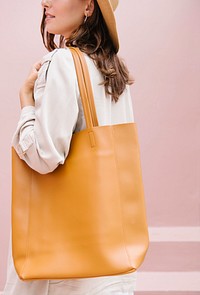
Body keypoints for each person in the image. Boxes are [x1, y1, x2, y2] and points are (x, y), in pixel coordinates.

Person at [3, 0, 138, 294]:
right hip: (109, 264)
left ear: (89, 5)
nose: (45, 2)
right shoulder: (114, 70)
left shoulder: (63, 62)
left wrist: (26, 103)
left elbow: (44, 156)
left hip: (63, 268)